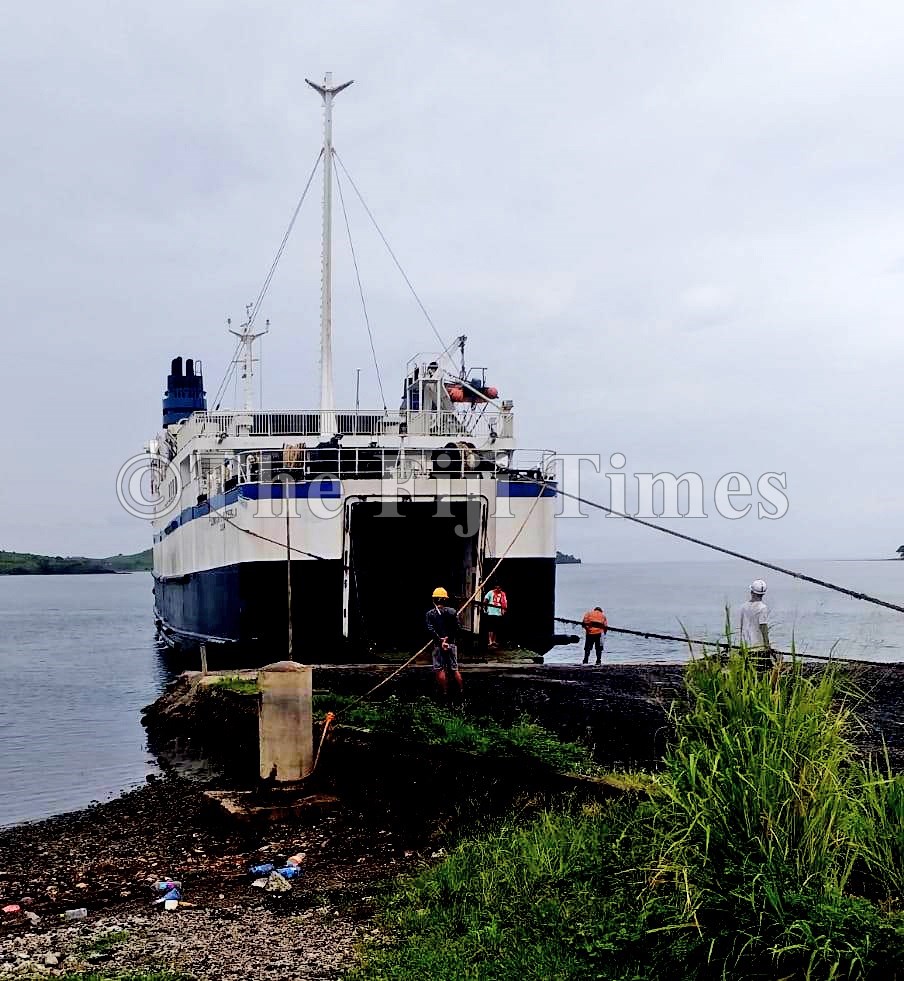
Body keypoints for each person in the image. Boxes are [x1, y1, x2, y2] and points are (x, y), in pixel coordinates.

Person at [426, 587, 463, 697]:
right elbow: (457, 628)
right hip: (451, 643)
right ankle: (461, 690)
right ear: (445, 599)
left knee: (439, 669)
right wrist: (447, 639)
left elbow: (430, 630)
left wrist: (441, 640)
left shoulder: (430, 614)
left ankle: (444, 692)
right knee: (454, 669)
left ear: (434, 599)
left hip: (438, 645)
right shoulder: (452, 611)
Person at [739, 579, 770, 652]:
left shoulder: (743, 606)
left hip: (745, 645)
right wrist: (767, 645)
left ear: (751, 592)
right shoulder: (762, 607)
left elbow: (741, 626)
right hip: (758, 647)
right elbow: (763, 627)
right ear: (763, 594)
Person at [483, 584, 508, 649]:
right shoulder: (490, 592)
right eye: (497, 588)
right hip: (491, 612)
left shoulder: (502, 594)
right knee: (491, 627)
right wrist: (485, 607)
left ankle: (494, 641)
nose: (498, 589)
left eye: (499, 588)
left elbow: (504, 602)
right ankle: (490, 641)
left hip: (498, 612)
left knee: (496, 628)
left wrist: (503, 610)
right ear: (495, 587)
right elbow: (485, 600)